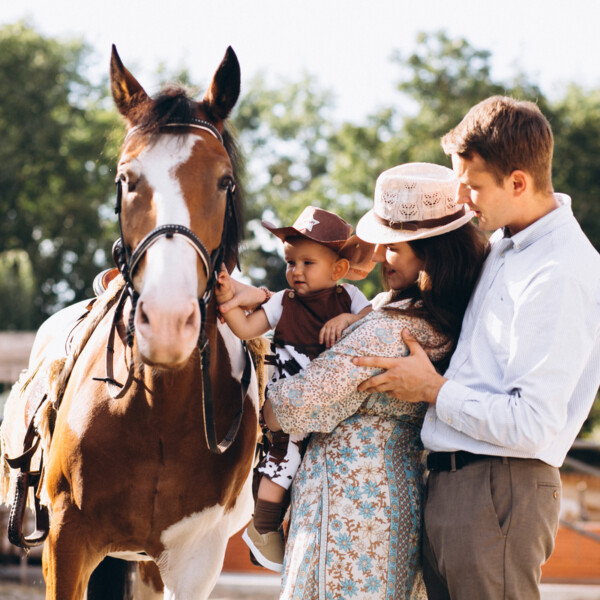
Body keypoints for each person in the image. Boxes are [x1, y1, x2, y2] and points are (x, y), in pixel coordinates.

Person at [353, 97, 600, 599]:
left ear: (517, 182)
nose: (462, 200)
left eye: (472, 185)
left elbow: (533, 424)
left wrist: (433, 390)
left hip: (500, 489)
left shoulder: (561, 273)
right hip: (453, 486)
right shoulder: (506, 245)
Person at [222, 163, 488, 599]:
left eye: (395, 248)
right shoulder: (437, 320)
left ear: (430, 254)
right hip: (397, 494)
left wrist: (271, 398)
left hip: (350, 505)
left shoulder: (392, 330)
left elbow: (298, 405)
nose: (380, 257)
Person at [215, 205, 373, 572]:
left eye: (307, 263)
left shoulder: (349, 298)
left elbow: (374, 319)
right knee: (284, 459)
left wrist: (348, 318)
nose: (295, 271)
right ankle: (264, 526)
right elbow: (246, 328)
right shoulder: (281, 303)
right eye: (290, 262)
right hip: (294, 399)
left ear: (338, 270)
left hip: (335, 399)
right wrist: (227, 300)